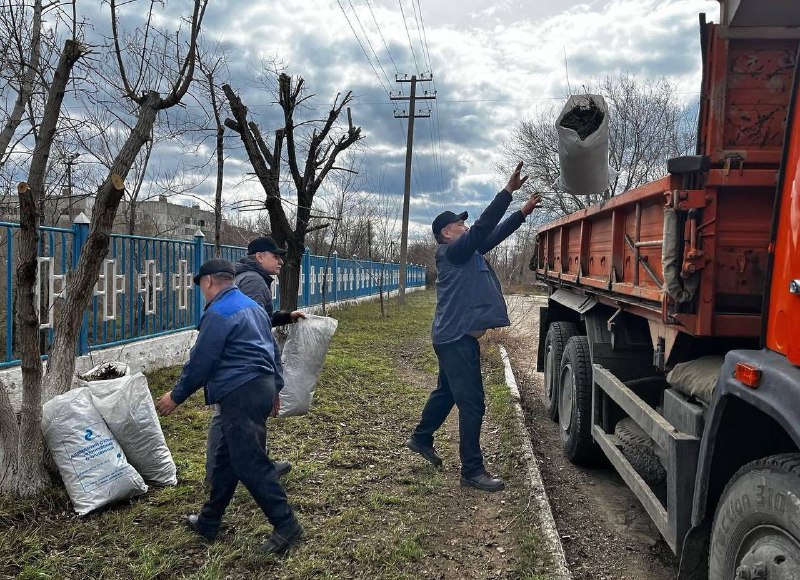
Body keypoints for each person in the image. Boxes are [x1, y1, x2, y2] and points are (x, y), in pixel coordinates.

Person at [404, 162, 541, 492]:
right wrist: (506, 193)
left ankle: (421, 439)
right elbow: (482, 229)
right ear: (446, 233)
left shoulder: (465, 252)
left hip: (450, 337)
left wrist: (522, 211)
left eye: (464, 225)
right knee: (473, 403)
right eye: (459, 224)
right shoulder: (453, 252)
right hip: (456, 339)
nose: (465, 227)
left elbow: (493, 234)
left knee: (447, 393)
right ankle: (471, 470)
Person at [156, 258, 303, 555]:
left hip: (240, 391)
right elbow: (271, 350)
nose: (202, 291)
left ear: (208, 281)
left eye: (200, 286)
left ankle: (287, 525)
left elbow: (201, 362)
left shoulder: (219, 313)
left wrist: (176, 396)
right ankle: (209, 521)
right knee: (225, 458)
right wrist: (275, 388)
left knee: (250, 462)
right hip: (258, 387)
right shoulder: (252, 307)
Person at [228, 235, 305, 478]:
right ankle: (260, 472)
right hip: (246, 364)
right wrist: (269, 373)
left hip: (234, 363)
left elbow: (257, 317)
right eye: (276, 256)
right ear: (259, 256)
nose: (281, 261)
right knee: (251, 418)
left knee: (228, 423)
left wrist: (285, 316)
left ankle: (221, 472)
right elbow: (253, 329)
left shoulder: (248, 278)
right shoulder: (253, 282)